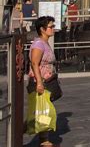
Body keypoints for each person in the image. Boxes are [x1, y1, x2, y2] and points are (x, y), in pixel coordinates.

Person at [28, 16, 62, 147]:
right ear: (42, 29)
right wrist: (39, 82)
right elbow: (34, 63)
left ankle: (27, 131)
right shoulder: (38, 44)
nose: (53, 29)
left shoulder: (45, 42)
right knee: (44, 110)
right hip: (40, 82)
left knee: (42, 110)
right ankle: (43, 140)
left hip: (47, 81)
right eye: (51, 27)